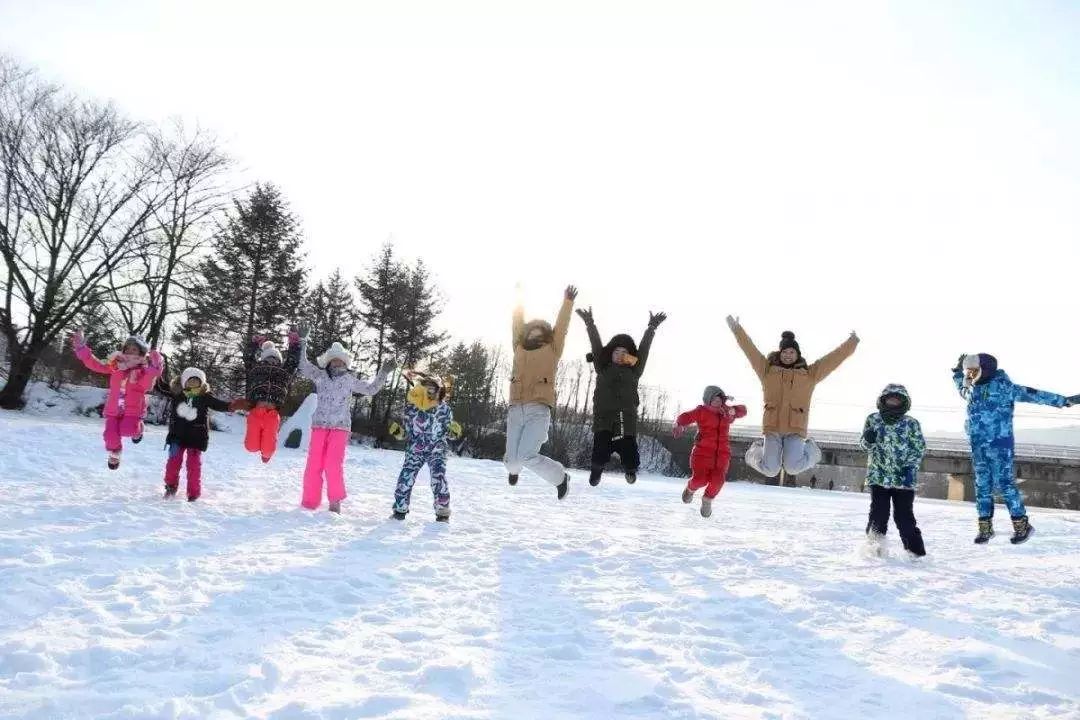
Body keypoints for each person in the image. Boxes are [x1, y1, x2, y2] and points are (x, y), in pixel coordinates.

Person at [953, 353, 1079, 544]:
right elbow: (960, 388)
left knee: (1005, 485)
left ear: (985, 369)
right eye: (967, 371)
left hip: (1000, 446)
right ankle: (985, 528)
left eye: (973, 370)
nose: (969, 375)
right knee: (982, 487)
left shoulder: (1004, 387)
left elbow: (1034, 394)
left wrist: (1064, 401)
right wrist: (956, 372)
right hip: (978, 446)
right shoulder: (971, 389)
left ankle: (1022, 525)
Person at [726, 316, 858, 477]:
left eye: (791, 352)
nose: (788, 355)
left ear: (797, 354)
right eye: (785, 352)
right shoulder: (767, 371)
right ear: (779, 353)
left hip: (795, 430)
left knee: (793, 468)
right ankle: (753, 451)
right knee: (770, 470)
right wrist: (736, 329)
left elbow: (833, 359)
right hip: (773, 429)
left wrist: (852, 343)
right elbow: (750, 350)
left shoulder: (809, 374)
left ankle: (813, 449)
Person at [297, 326, 395, 512]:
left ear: (345, 363)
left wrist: (383, 372)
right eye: (334, 361)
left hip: (340, 428)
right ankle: (309, 502)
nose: (337, 364)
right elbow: (303, 365)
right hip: (319, 425)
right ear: (328, 362)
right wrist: (303, 342)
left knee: (333, 464)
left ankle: (335, 501)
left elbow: (371, 389)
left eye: (340, 361)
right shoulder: (319, 376)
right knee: (314, 464)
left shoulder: (350, 379)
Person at [577, 307, 667, 486]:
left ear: (629, 357)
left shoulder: (634, 371)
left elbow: (644, 350)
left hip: (625, 419)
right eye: (616, 352)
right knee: (600, 450)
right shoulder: (602, 368)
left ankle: (630, 471)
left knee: (630, 452)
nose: (619, 356)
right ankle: (596, 471)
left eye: (624, 354)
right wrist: (590, 323)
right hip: (604, 418)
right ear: (610, 354)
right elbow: (596, 344)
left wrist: (651, 328)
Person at [505, 284, 576, 500]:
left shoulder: (553, 349)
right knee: (512, 463)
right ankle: (514, 471)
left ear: (545, 335)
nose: (535, 334)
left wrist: (567, 302)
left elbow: (561, 327)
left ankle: (561, 478)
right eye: (531, 331)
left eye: (539, 332)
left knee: (526, 455)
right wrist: (518, 296)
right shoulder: (518, 346)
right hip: (516, 408)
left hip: (538, 409)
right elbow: (516, 323)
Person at [154, 360, 247, 501]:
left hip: (196, 438)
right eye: (190, 381)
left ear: (202, 383)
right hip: (176, 436)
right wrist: (154, 371)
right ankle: (170, 486)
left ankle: (193, 493)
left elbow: (219, 404)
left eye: (197, 382)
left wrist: (232, 406)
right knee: (173, 463)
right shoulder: (177, 394)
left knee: (194, 466)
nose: (193, 384)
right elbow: (160, 386)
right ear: (184, 381)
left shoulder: (204, 397)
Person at [71, 330, 163, 469]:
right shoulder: (115, 366)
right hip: (113, 409)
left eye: (134, 350)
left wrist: (155, 367)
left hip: (132, 409)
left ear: (141, 354)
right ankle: (115, 453)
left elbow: (147, 384)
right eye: (128, 349)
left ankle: (139, 430)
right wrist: (82, 349)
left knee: (128, 430)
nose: (130, 352)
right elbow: (95, 364)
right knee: (110, 435)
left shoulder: (142, 371)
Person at [860, 384, 927, 556]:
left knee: (904, 518)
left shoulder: (911, 423)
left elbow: (918, 448)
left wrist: (910, 469)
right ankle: (874, 550)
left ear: (904, 402)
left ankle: (916, 553)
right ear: (883, 400)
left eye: (898, 398)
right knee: (878, 515)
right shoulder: (873, 419)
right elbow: (864, 446)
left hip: (904, 480)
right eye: (890, 398)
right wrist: (868, 440)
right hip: (878, 477)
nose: (893, 401)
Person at [673, 386, 747, 518]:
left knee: (718, 480)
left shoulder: (726, 412)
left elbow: (743, 410)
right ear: (708, 400)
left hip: (722, 455)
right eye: (714, 400)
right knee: (700, 480)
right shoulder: (701, 411)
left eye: (720, 399)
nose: (718, 402)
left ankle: (707, 500)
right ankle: (690, 489)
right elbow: (687, 416)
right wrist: (679, 424)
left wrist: (733, 410)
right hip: (702, 453)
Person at [391, 371, 454, 522]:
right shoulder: (411, 408)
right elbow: (407, 432)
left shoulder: (444, 409)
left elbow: (448, 431)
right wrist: (399, 433)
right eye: (426, 389)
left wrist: (453, 432)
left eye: (433, 389)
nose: (429, 392)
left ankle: (442, 510)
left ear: (439, 391)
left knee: (438, 476)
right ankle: (400, 508)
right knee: (406, 475)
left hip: (437, 449)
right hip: (415, 448)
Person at [244, 331, 301, 463]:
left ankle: (266, 454)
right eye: (269, 358)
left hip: (272, 413)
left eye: (275, 359)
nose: (272, 361)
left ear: (279, 360)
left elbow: (293, 361)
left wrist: (294, 344)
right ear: (263, 358)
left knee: (269, 448)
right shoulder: (256, 368)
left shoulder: (283, 371)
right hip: (256, 412)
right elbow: (248, 358)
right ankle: (261, 450)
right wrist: (254, 344)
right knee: (251, 447)